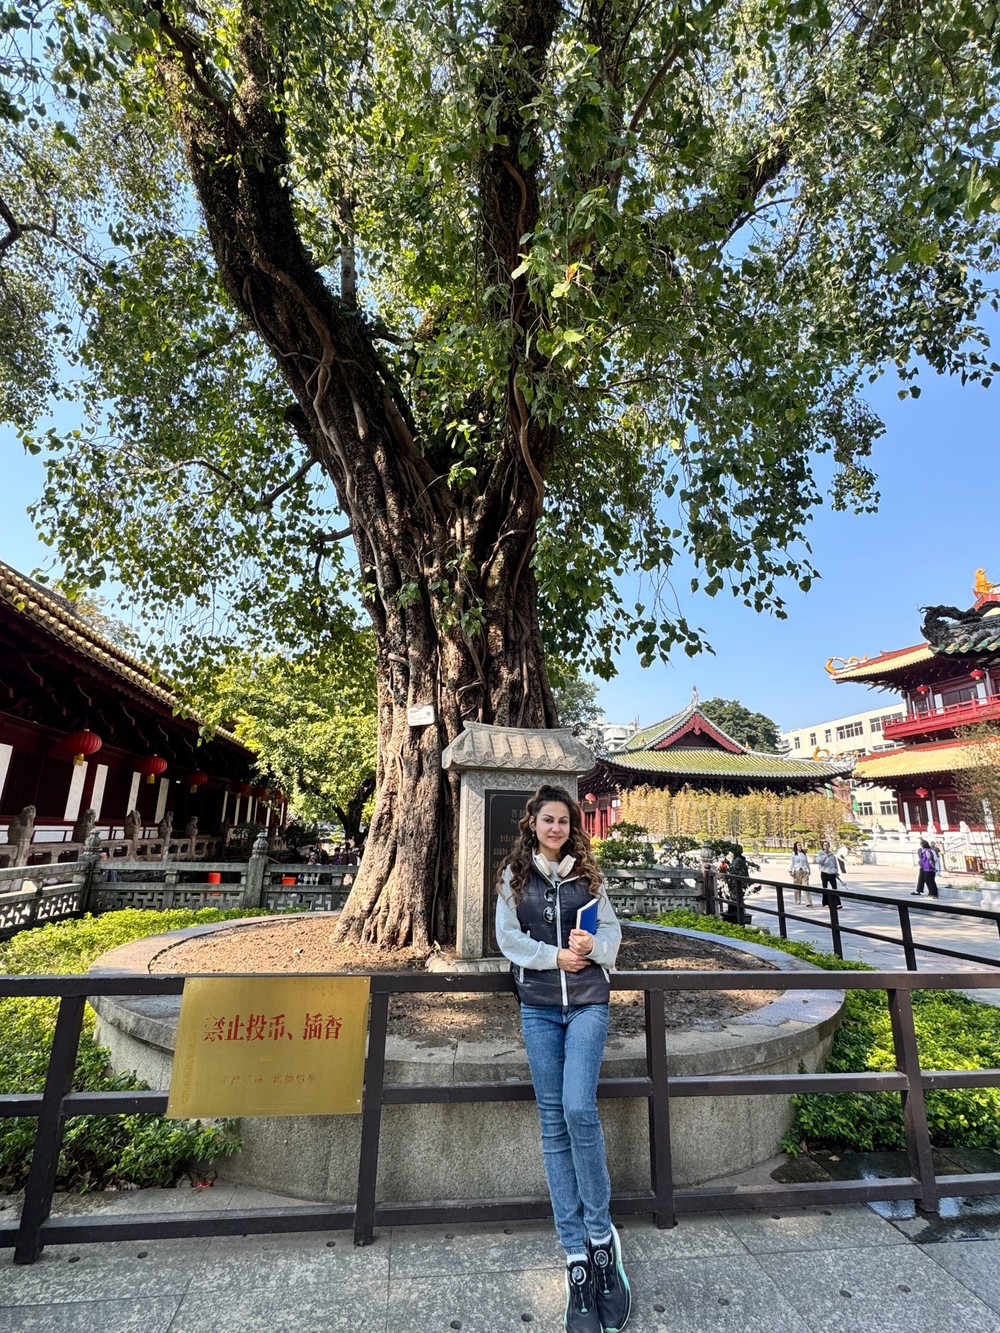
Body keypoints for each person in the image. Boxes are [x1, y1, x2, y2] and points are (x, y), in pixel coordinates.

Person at [496, 784, 630, 1333]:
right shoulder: (514, 877)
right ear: (532, 823)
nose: (556, 828)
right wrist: (553, 956)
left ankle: (602, 1240)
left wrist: (592, 948)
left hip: (589, 1005)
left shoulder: (589, 878)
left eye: (564, 821)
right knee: (552, 1121)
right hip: (539, 1007)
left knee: (578, 1109)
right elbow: (507, 938)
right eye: (548, 820)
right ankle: (576, 1254)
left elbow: (613, 934)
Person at [815, 840, 842, 909]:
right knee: (825, 888)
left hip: (832, 873)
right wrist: (825, 856)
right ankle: (825, 903)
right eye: (825, 845)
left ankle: (838, 903)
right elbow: (819, 861)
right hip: (824, 872)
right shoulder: (820, 853)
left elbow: (835, 863)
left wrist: (836, 872)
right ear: (823, 846)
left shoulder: (832, 854)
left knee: (835, 888)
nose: (826, 846)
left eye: (827, 845)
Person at [789, 841, 813, 908]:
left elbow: (806, 862)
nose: (800, 846)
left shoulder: (803, 854)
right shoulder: (793, 854)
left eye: (800, 845)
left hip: (804, 871)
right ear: (796, 847)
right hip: (797, 871)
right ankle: (797, 900)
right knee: (797, 886)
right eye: (798, 845)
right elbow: (792, 863)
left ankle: (808, 902)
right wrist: (790, 870)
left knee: (806, 886)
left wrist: (809, 869)